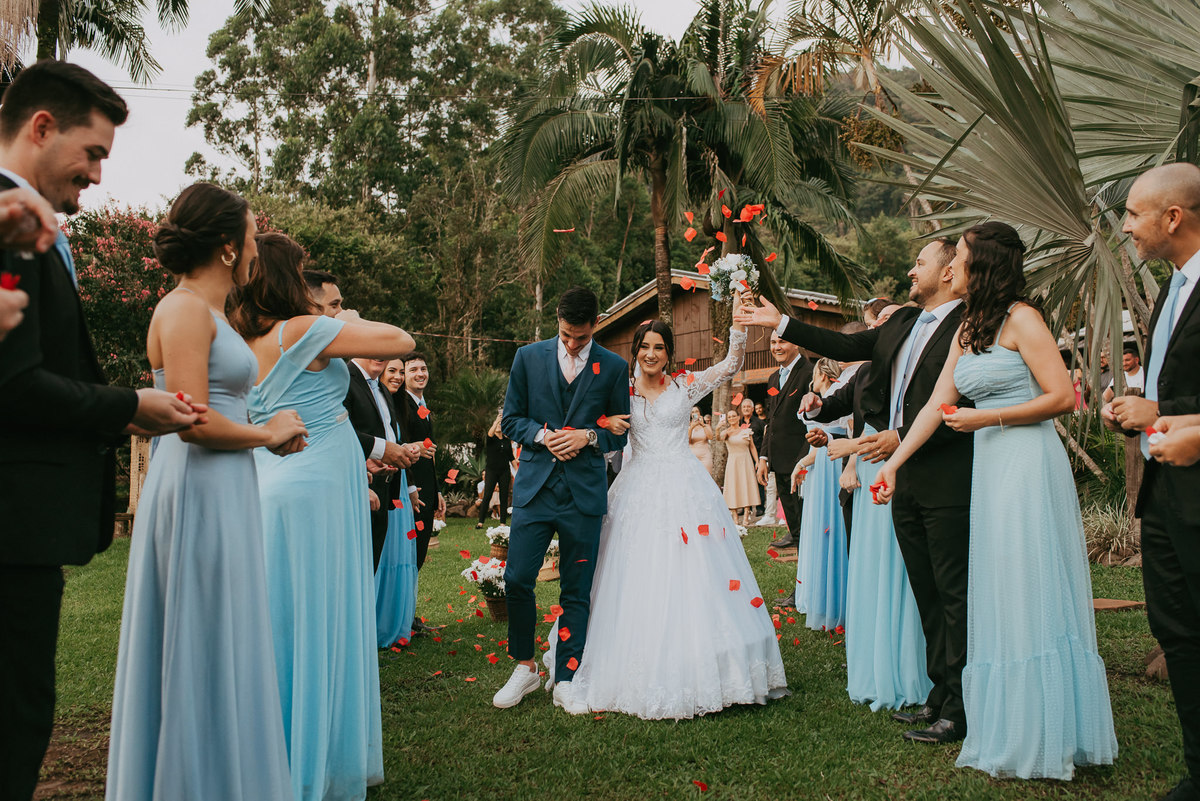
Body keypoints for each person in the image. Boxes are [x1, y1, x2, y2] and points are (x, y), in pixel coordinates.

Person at [0, 61, 202, 801]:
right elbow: (14, 385)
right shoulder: (10, 223)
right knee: (15, 720)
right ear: (41, 126)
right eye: (93, 153)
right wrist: (129, 406)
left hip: (22, 528)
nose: (97, 175)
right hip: (11, 523)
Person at [876, 221, 1117, 780]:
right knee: (997, 587)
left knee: (1026, 581)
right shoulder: (970, 328)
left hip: (1027, 463)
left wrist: (989, 417)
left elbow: (1063, 396)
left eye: (958, 257)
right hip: (990, 468)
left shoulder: (1023, 319)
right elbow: (937, 404)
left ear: (980, 265)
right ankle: (1005, 719)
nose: (952, 266)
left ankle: (1048, 723)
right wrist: (892, 463)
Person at [106, 185, 307, 801]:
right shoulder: (186, 310)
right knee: (200, 632)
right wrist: (267, 433)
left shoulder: (211, 313)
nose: (255, 247)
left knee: (226, 631)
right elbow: (190, 423)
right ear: (226, 246)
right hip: (198, 486)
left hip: (224, 484)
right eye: (250, 235)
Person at [737, 240, 973, 745]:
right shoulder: (903, 323)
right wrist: (780, 322)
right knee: (926, 592)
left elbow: (965, 398)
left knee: (953, 595)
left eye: (920, 262)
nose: (911, 269)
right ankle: (939, 695)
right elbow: (845, 348)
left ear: (950, 270)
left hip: (946, 473)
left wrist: (900, 435)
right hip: (898, 474)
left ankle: (962, 705)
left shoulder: (970, 324)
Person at [544, 290, 788, 719]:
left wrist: (736, 324)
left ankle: (708, 660)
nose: (651, 354)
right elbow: (588, 420)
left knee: (696, 573)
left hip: (685, 489)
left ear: (669, 354)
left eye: (659, 347)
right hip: (637, 490)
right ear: (635, 353)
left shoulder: (685, 386)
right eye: (645, 347)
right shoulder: (620, 390)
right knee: (631, 572)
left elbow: (730, 366)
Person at [233, 231, 414, 801]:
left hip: (275, 483)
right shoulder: (304, 330)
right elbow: (400, 339)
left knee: (285, 619)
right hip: (315, 486)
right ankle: (315, 763)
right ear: (291, 281)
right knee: (323, 618)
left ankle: (275, 752)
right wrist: (334, 317)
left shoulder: (244, 339)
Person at [1107, 163, 1200, 801]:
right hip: (1165, 496)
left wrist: (1168, 417)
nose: (1127, 229)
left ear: (1174, 216)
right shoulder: (1173, 289)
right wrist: (1140, 407)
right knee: (1181, 636)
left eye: (1135, 215)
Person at [493, 287, 630, 714]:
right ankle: (525, 667)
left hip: (584, 493)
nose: (572, 344)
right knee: (517, 578)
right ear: (557, 320)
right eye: (567, 335)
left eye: (581, 337)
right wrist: (541, 435)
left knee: (577, 589)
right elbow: (511, 418)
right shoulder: (527, 358)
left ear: (596, 326)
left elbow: (620, 428)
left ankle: (567, 678)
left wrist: (588, 435)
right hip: (535, 489)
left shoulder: (613, 366)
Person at [345, 354, 418, 570]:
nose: (381, 353)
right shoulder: (343, 379)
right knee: (353, 570)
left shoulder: (382, 389)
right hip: (356, 487)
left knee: (370, 569)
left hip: (384, 487)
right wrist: (382, 450)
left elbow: (386, 434)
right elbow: (337, 432)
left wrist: (400, 449)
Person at [792, 358, 849, 632]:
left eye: (814, 373)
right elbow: (814, 451)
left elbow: (821, 448)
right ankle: (831, 601)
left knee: (830, 531)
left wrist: (801, 464)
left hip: (832, 464)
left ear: (822, 375)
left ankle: (833, 604)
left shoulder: (834, 402)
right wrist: (800, 465)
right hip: (823, 467)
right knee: (828, 531)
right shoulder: (827, 399)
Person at [757, 331, 813, 561]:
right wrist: (763, 458)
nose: (776, 347)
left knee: (808, 530)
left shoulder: (810, 373)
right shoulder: (773, 378)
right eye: (773, 342)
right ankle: (802, 585)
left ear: (796, 343)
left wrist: (803, 463)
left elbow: (814, 424)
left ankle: (807, 587)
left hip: (802, 466)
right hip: (778, 465)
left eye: (782, 341)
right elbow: (772, 422)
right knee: (796, 529)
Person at [397, 352, 444, 570]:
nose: (420, 374)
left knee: (418, 555)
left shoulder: (422, 405)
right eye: (413, 369)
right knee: (411, 556)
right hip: (411, 491)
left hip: (426, 490)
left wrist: (437, 491)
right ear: (403, 374)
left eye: (423, 369)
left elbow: (430, 451)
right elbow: (399, 443)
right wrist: (411, 487)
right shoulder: (401, 404)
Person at [720, 407, 760, 525]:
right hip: (733, 461)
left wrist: (757, 461)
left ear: (738, 418)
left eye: (734, 416)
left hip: (746, 460)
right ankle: (735, 516)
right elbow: (719, 437)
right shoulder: (726, 432)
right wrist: (718, 428)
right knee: (733, 487)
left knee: (746, 485)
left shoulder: (746, 431)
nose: (732, 418)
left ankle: (747, 515)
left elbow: (752, 446)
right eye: (729, 417)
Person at [478, 410, 513, 527]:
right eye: (497, 424)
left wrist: (518, 470)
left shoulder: (507, 441)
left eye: (500, 425)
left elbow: (511, 458)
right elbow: (489, 433)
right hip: (492, 471)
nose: (499, 426)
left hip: (504, 471)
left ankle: (502, 522)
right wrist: (497, 420)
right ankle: (480, 522)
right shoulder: (491, 439)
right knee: (487, 495)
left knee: (504, 496)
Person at [688, 405, 714, 475]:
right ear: (691, 415)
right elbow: (688, 441)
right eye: (693, 412)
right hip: (692, 457)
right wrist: (692, 427)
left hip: (705, 457)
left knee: (706, 478)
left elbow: (710, 437)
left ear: (700, 413)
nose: (695, 413)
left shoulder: (706, 426)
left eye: (697, 411)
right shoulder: (688, 427)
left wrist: (703, 425)